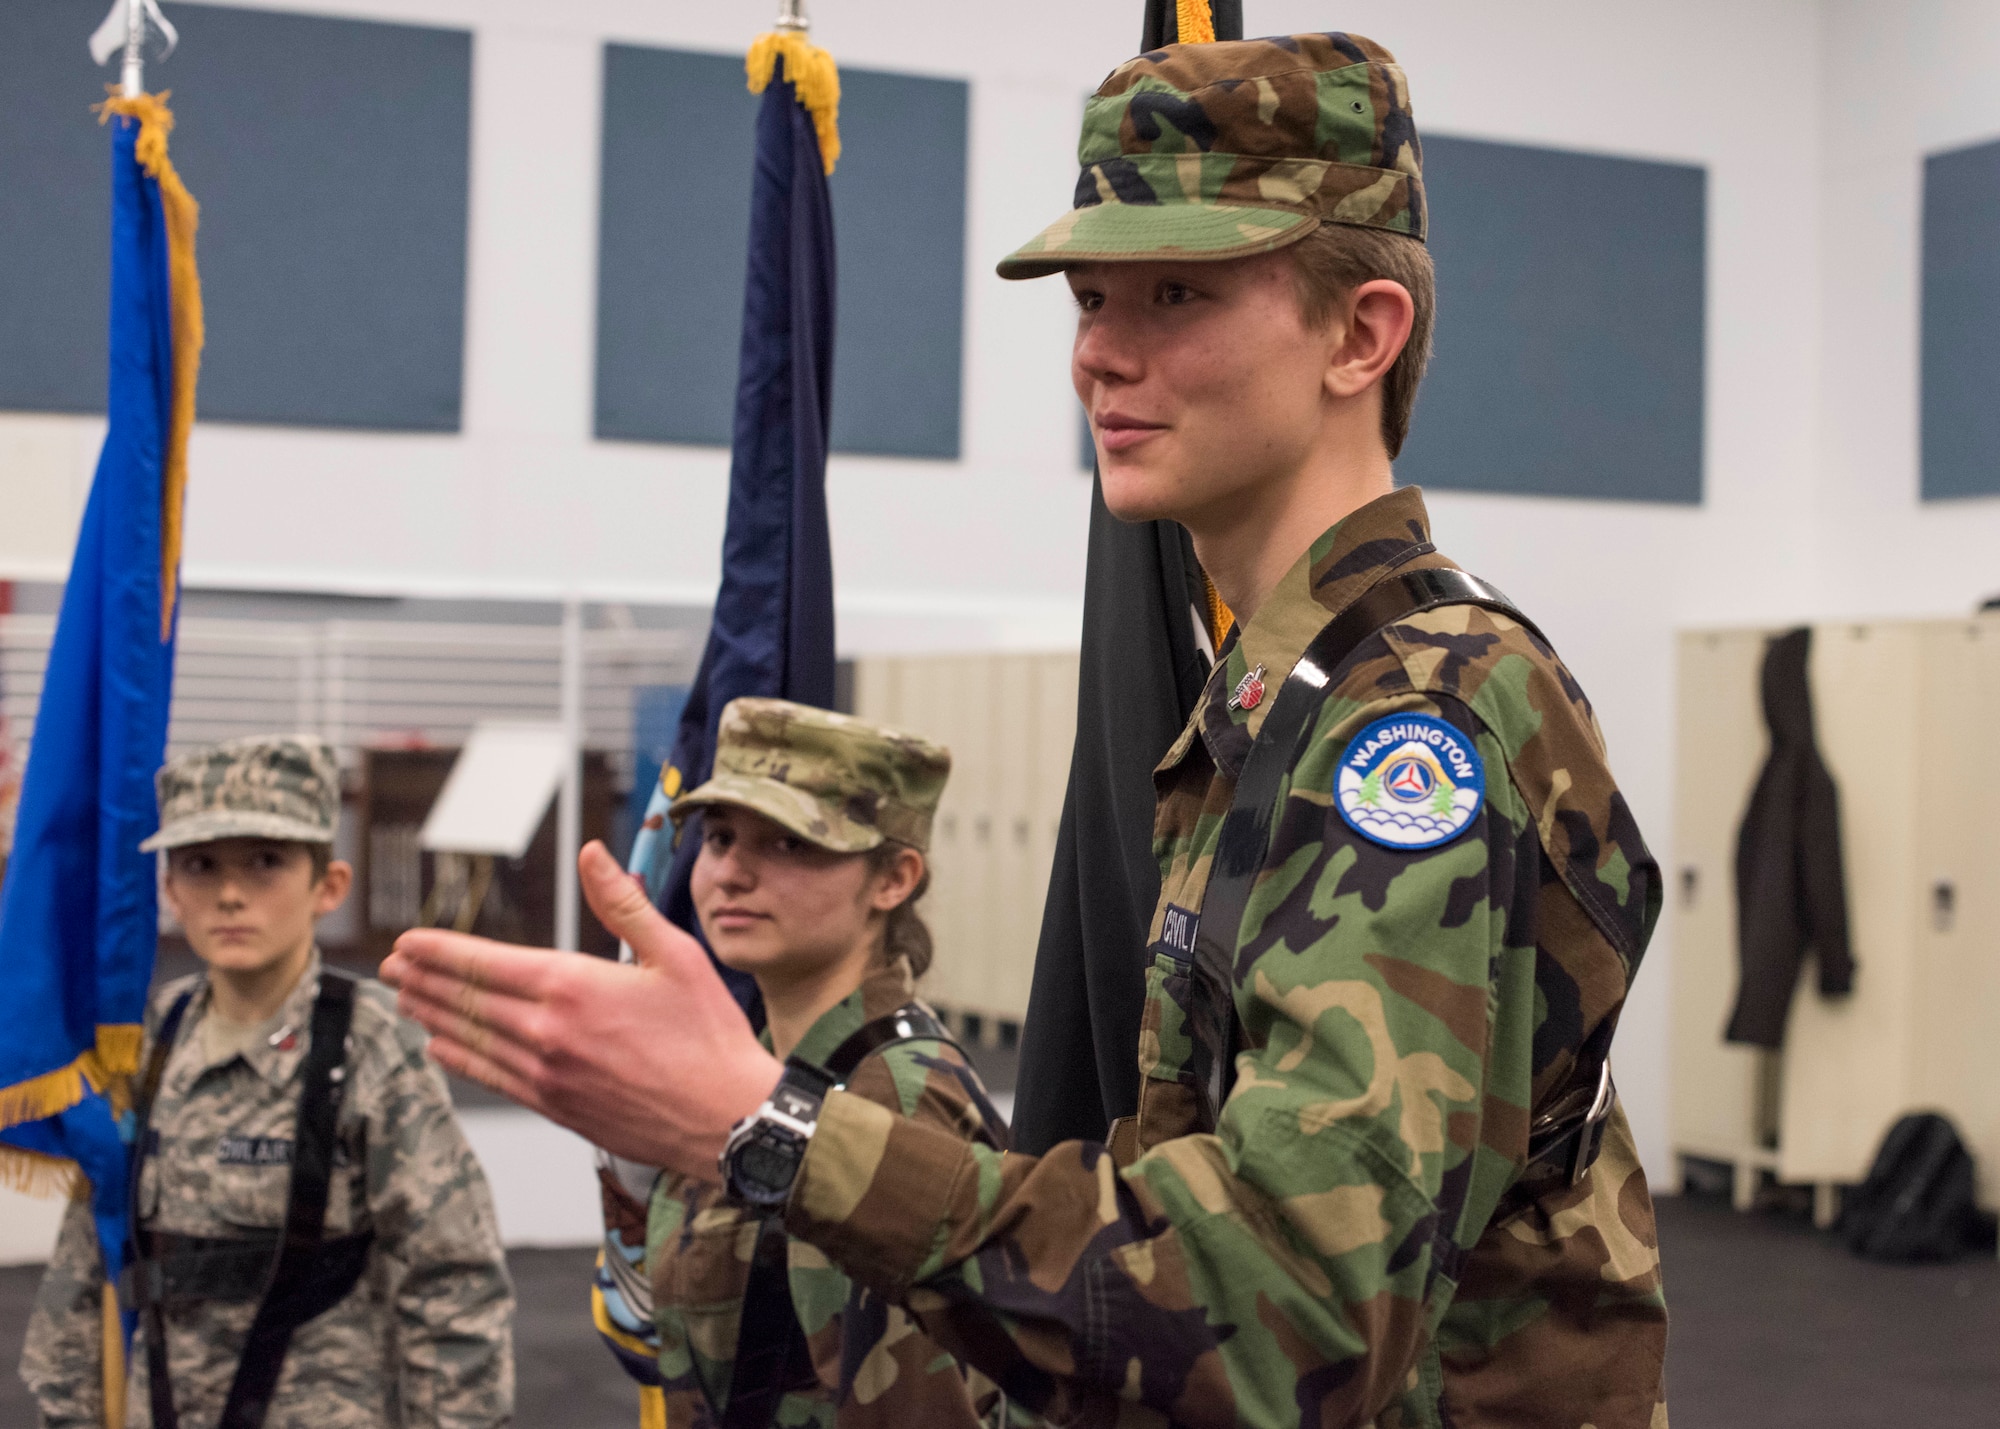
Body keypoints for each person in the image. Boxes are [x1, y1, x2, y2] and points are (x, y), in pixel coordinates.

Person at [383, 31, 1670, 1429]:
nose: (1102, 355)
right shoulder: (1271, 704)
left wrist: (765, 1125)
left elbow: (1290, 1312)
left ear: (1361, 334)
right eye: (1091, 300)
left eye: (1178, 293)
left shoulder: (1408, 722)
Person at [21, 735, 514, 1429]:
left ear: (328, 885)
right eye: (200, 864)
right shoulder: (151, 1041)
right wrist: (67, 1410)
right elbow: (90, 1251)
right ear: (169, 889)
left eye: (265, 862)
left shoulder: (367, 1044)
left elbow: (452, 1278)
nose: (228, 893)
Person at [595, 698, 1013, 1426]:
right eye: (720, 837)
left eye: (789, 844)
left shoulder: (891, 1099)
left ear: (894, 879)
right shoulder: (751, 1070)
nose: (729, 872)